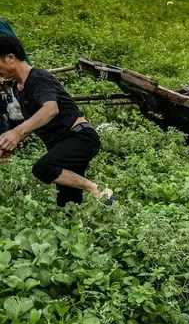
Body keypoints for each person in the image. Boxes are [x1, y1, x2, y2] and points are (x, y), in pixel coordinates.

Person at [0, 33, 115, 206]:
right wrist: (10, 144)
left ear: (10, 58)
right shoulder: (18, 87)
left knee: (43, 168)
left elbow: (50, 109)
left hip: (79, 138)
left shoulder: (39, 78)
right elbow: (32, 123)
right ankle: (104, 203)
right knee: (68, 203)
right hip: (61, 144)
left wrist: (16, 132)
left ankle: (94, 188)